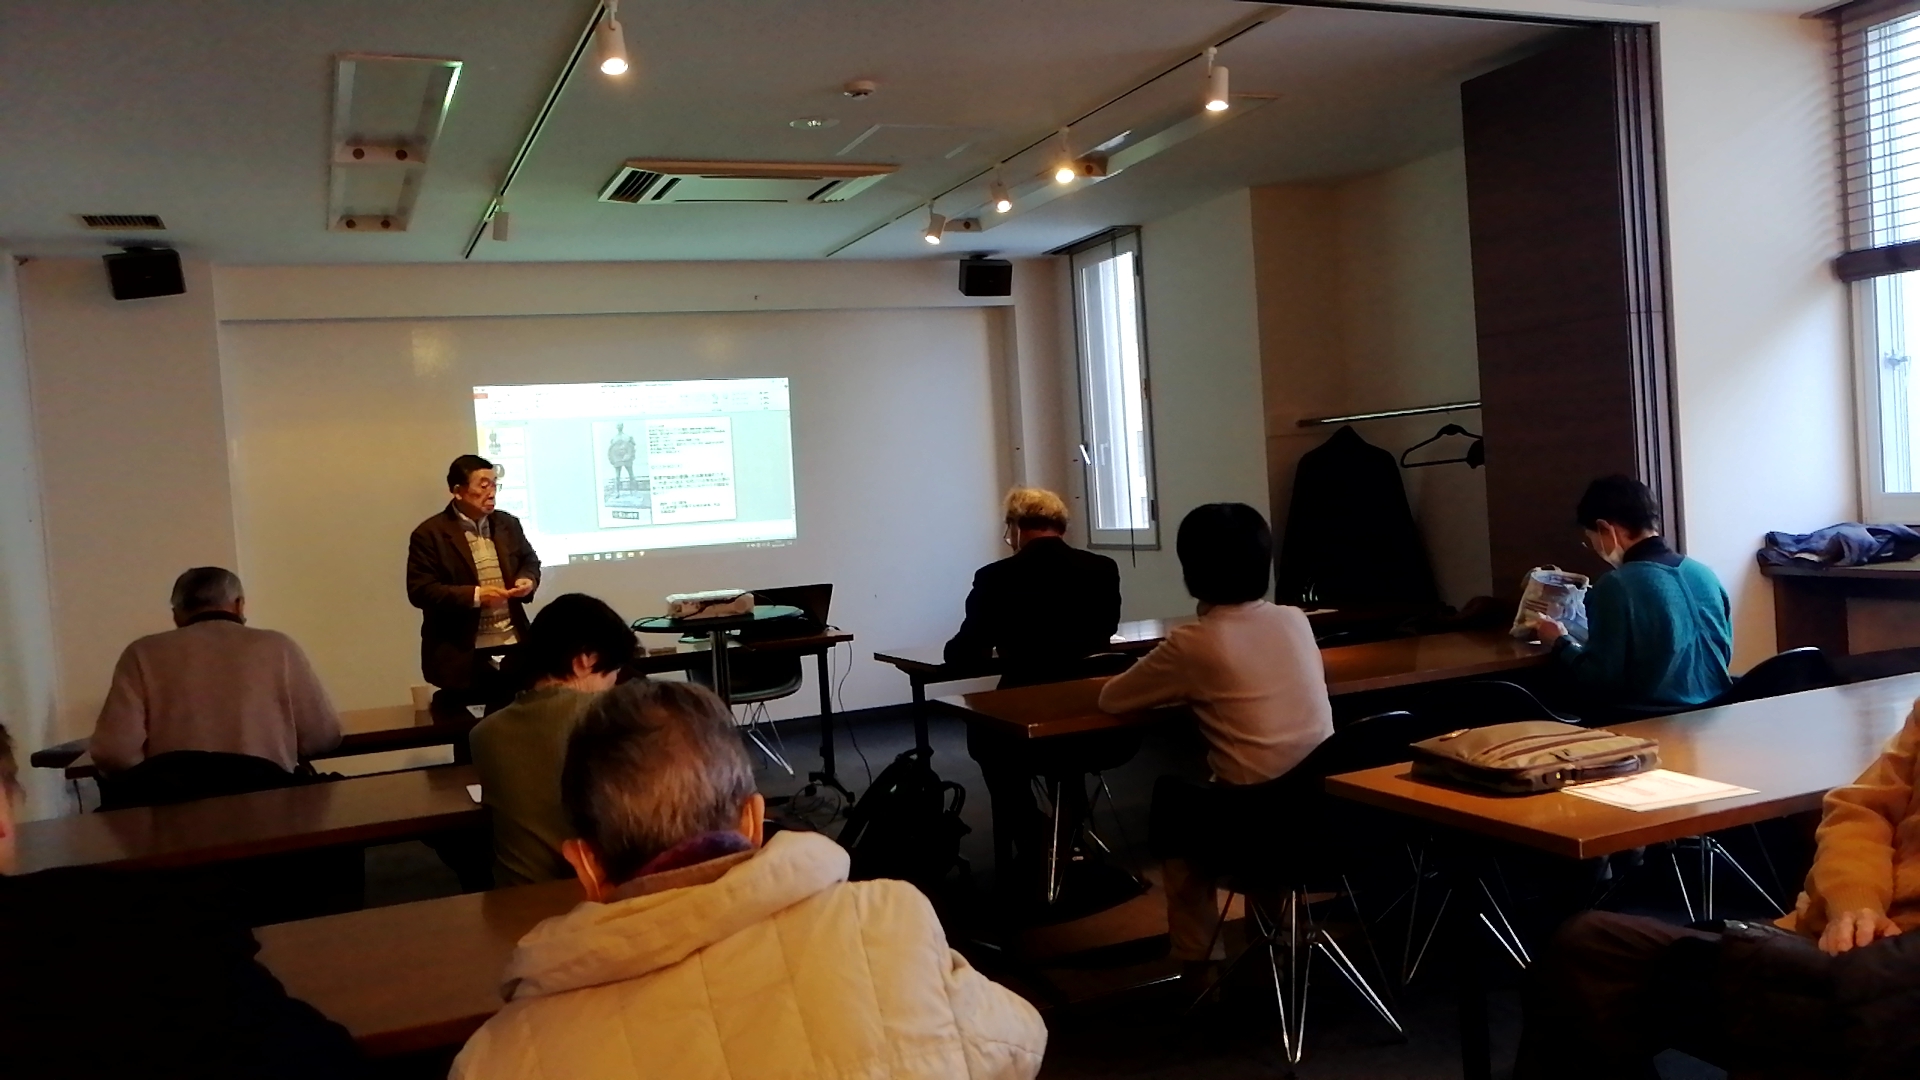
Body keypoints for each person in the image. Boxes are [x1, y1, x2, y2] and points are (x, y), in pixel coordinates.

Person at [450, 680, 1048, 1080]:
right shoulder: (893, 920)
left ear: (585, 865)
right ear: (754, 821)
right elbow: (1020, 1041)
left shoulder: (498, 1060)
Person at [1513, 702, 1920, 1079]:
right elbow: (1862, 811)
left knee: (1597, 960)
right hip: (1833, 938)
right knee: (1591, 949)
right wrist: (1854, 901)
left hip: (1890, 981)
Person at [0, 723, 364, 1079]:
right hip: (275, 825)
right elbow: (323, 735)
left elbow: (114, 752)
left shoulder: (145, 926)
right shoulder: (154, 928)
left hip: (164, 819)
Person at [1098, 503, 1334, 971]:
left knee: (1176, 806)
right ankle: (1279, 940)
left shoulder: (1196, 642)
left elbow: (1113, 698)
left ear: (1192, 571)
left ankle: (1198, 962)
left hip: (1254, 827)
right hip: (1327, 816)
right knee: (1264, 788)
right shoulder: (1295, 619)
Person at [88, 567, 341, 775]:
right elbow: (322, 737)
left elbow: (114, 752)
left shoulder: (141, 653)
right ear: (239, 605)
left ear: (176, 615)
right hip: (270, 802)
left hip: (176, 810)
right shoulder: (278, 647)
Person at [469, 593, 637, 886]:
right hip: (592, 894)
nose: (613, 686)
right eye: (612, 673)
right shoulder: (608, 718)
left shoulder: (484, 734)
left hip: (514, 896)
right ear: (585, 661)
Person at [1535, 475, 1733, 712]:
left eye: (1591, 540)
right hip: (1718, 713)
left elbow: (1598, 680)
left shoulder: (1616, 585)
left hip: (1651, 721)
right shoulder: (1705, 575)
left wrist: (1560, 642)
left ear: (1604, 528)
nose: (1594, 548)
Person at [944, 487, 1121, 688]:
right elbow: (1109, 627)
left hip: (1027, 692)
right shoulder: (1103, 567)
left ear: (1016, 528)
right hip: (1092, 689)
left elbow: (969, 651)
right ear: (1062, 528)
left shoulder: (995, 576)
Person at [408, 454, 541, 713]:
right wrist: (477, 596)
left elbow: (529, 560)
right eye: (483, 485)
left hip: (514, 646)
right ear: (458, 491)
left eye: (494, 485)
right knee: (468, 729)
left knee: (521, 722)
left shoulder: (507, 524)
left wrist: (528, 579)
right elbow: (420, 590)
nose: (491, 493)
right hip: (463, 654)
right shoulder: (430, 534)